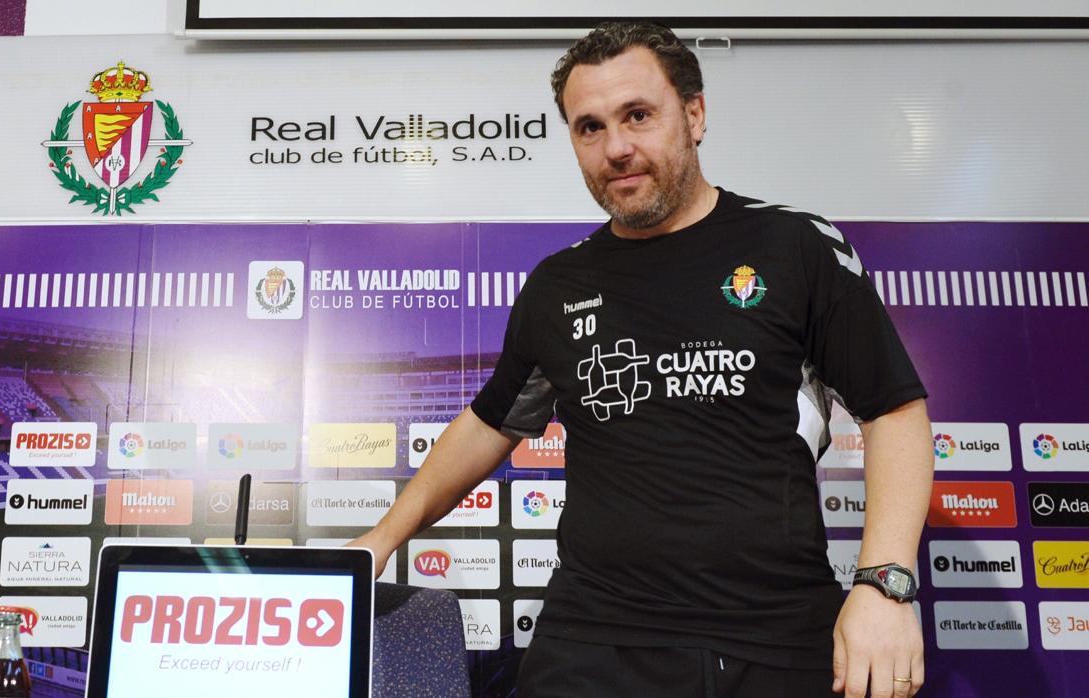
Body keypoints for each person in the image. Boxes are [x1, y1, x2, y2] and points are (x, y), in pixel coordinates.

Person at [350, 21, 933, 698]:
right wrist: (378, 541)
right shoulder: (557, 285)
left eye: (637, 115)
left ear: (695, 114)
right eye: (589, 127)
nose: (616, 148)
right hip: (592, 646)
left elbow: (892, 411)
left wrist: (884, 584)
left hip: (774, 638)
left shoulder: (794, 246)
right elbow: (490, 423)